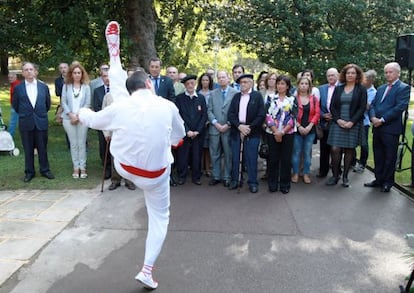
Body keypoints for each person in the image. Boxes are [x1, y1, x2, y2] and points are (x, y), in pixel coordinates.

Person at [79, 21, 185, 289]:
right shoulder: (167, 105)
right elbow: (179, 134)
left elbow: (92, 119)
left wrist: (79, 113)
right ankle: (147, 269)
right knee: (160, 218)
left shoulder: (122, 104)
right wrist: (171, 142)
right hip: (155, 174)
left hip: (125, 167)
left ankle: (114, 56)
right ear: (150, 84)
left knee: (116, 97)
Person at [365, 62, 410, 192]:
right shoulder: (381, 88)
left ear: (398, 73)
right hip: (377, 128)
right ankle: (378, 179)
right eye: (386, 72)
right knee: (378, 155)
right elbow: (372, 105)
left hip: (390, 129)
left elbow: (399, 107)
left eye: (390, 72)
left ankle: (387, 182)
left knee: (389, 157)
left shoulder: (403, 88)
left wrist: (382, 120)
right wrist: (373, 118)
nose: (388, 74)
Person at [12, 62, 55, 182]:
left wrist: (38, 114)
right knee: (28, 149)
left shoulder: (43, 87)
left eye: (31, 69)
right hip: (26, 122)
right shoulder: (18, 88)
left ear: (35, 71)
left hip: (40, 122)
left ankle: (45, 170)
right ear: (23, 73)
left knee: (42, 148)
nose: (29, 71)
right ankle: (29, 172)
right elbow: (15, 105)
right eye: (26, 70)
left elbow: (47, 105)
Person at [326, 64, 367, 187]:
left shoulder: (361, 89)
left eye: (353, 73)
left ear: (357, 75)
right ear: (344, 74)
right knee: (335, 149)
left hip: (352, 124)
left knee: (349, 150)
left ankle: (345, 177)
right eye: (348, 73)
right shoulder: (339, 88)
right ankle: (335, 175)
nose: (350, 75)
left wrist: (352, 122)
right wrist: (338, 120)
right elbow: (332, 106)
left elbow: (362, 108)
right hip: (338, 123)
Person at [228, 73, 265, 193]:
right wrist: (239, 127)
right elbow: (231, 114)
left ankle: (253, 182)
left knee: (251, 158)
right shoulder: (236, 97)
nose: (242, 85)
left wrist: (249, 128)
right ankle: (235, 180)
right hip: (237, 130)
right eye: (241, 83)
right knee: (235, 157)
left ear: (251, 83)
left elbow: (261, 115)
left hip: (252, 131)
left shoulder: (257, 96)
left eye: (245, 82)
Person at [264, 75, 296, 194]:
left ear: (287, 86)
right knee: (273, 159)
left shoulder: (293, 99)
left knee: (286, 160)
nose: (280, 86)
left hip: (288, 133)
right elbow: (267, 115)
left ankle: (285, 184)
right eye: (278, 83)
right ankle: (272, 183)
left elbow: (293, 117)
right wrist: (275, 131)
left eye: (283, 84)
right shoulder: (270, 98)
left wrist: (282, 131)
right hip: (272, 132)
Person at [175, 75, 208, 185]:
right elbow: (178, 116)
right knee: (182, 156)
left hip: (198, 134)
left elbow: (204, 116)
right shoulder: (179, 98)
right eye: (187, 84)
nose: (190, 85)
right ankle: (182, 176)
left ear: (195, 84)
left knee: (196, 156)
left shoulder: (201, 98)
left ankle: (196, 177)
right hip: (184, 133)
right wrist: (187, 130)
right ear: (184, 85)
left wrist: (198, 131)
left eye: (192, 83)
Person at [61, 62, 91, 179]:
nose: (77, 75)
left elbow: (87, 103)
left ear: (82, 74)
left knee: (81, 143)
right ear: (71, 74)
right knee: (73, 144)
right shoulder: (66, 86)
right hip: (68, 119)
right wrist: (71, 115)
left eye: (79, 73)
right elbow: (63, 101)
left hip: (82, 119)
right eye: (75, 73)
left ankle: (83, 167)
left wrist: (78, 116)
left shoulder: (86, 87)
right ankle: (76, 167)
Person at [101, 90, 136, 191]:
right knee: (115, 157)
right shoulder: (108, 96)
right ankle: (115, 180)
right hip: (114, 131)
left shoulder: (131, 95)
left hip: (129, 131)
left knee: (129, 157)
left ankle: (129, 180)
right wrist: (106, 133)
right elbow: (104, 115)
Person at [207, 71, 237, 187]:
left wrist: (228, 124)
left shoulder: (235, 93)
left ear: (228, 78)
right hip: (215, 128)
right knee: (214, 153)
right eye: (219, 78)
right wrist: (215, 123)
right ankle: (216, 176)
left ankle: (227, 177)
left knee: (228, 154)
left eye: (223, 77)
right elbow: (209, 110)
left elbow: (236, 111)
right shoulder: (213, 93)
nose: (221, 80)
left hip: (228, 128)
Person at [291, 76, 320, 184]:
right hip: (296, 129)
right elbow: (291, 114)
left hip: (310, 130)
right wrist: (298, 126)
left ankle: (306, 173)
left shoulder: (314, 99)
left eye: (306, 84)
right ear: (298, 85)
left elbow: (317, 114)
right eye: (301, 83)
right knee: (296, 152)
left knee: (307, 153)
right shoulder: (293, 99)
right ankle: (296, 173)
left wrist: (309, 126)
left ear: (309, 86)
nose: (303, 86)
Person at [353, 69, 377, 173]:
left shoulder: (373, 92)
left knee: (363, 143)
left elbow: (367, 107)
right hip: (354, 120)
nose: (363, 80)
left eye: (366, 79)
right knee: (352, 142)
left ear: (371, 80)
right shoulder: (359, 88)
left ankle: (362, 163)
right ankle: (352, 162)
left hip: (365, 121)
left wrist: (360, 101)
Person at [318, 68, 339, 178]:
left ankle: (337, 172)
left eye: (333, 75)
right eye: (329, 76)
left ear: (338, 76)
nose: (331, 77)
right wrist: (323, 115)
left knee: (336, 149)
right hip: (324, 122)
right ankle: (323, 171)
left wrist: (335, 116)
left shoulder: (343, 88)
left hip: (337, 123)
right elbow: (317, 105)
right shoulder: (321, 89)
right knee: (324, 148)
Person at [92, 70, 112, 179]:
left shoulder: (118, 91)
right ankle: (107, 169)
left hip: (114, 123)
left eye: (109, 76)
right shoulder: (97, 91)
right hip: (102, 123)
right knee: (104, 147)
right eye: (104, 76)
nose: (107, 78)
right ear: (102, 78)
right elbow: (96, 107)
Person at [197, 73, 214, 177]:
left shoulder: (213, 93)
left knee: (207, 147)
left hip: (210, 124)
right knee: (199, 147)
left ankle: (208, 168)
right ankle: (199, 168)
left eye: (207, 80)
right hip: (199, 124)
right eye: (203, 80)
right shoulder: (197, 93)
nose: (205, 82)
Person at [8, 72, 21, 137]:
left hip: (17, 106)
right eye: (9, 77)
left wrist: (15, 106)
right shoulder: (13, 84)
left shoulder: (17, 85)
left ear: (15, 77)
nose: (10, 79)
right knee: (18, 121)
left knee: (13, 121)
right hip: (15, 105)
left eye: (11, 77)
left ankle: (10, 135)